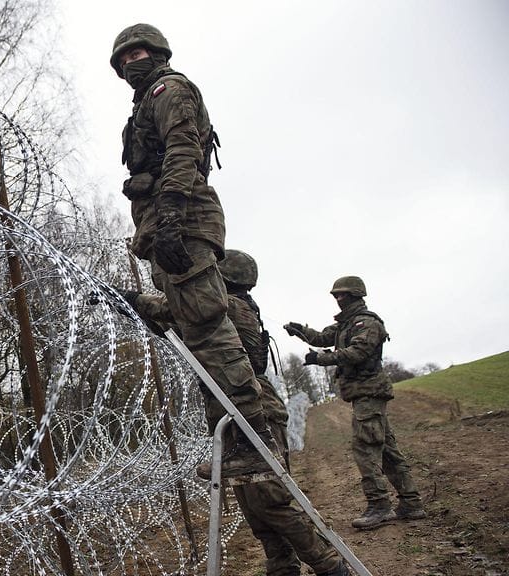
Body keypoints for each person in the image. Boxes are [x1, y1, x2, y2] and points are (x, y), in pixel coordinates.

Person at [110, 23, 279, 477]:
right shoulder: (145, 103)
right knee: (194, 331)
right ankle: (237, 439)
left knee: (206, 329)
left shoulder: (169, 89)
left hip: (180, 221)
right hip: (166, 226)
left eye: (137, 53)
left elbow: (183, 148)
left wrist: (170, 213)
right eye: (122, 59)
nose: (130, 63)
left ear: (158, 53)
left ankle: (253, 440)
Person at [118, 250, 349, 576]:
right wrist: (133, 309)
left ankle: (330, 565)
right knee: (254, 507)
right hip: (233, 412)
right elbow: (176, 326)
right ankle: (283, 567)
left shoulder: (224, 305)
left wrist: (131, 298)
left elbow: (173, 310)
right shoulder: (225, 307)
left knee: (269, 500)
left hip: (253, 410)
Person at [284, 276, 426, 530]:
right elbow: (322, 337)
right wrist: (300, 331)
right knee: (386, 450)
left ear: (357, 295)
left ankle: (380, 506)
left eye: (344, 295)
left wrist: (321, 359)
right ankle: (411, 503)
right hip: (363, 394)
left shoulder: (367, 323)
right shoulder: (345, 325)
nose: (339, 300)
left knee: (365, 448)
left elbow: (358, 353)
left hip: (369, 393)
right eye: (336, 296)